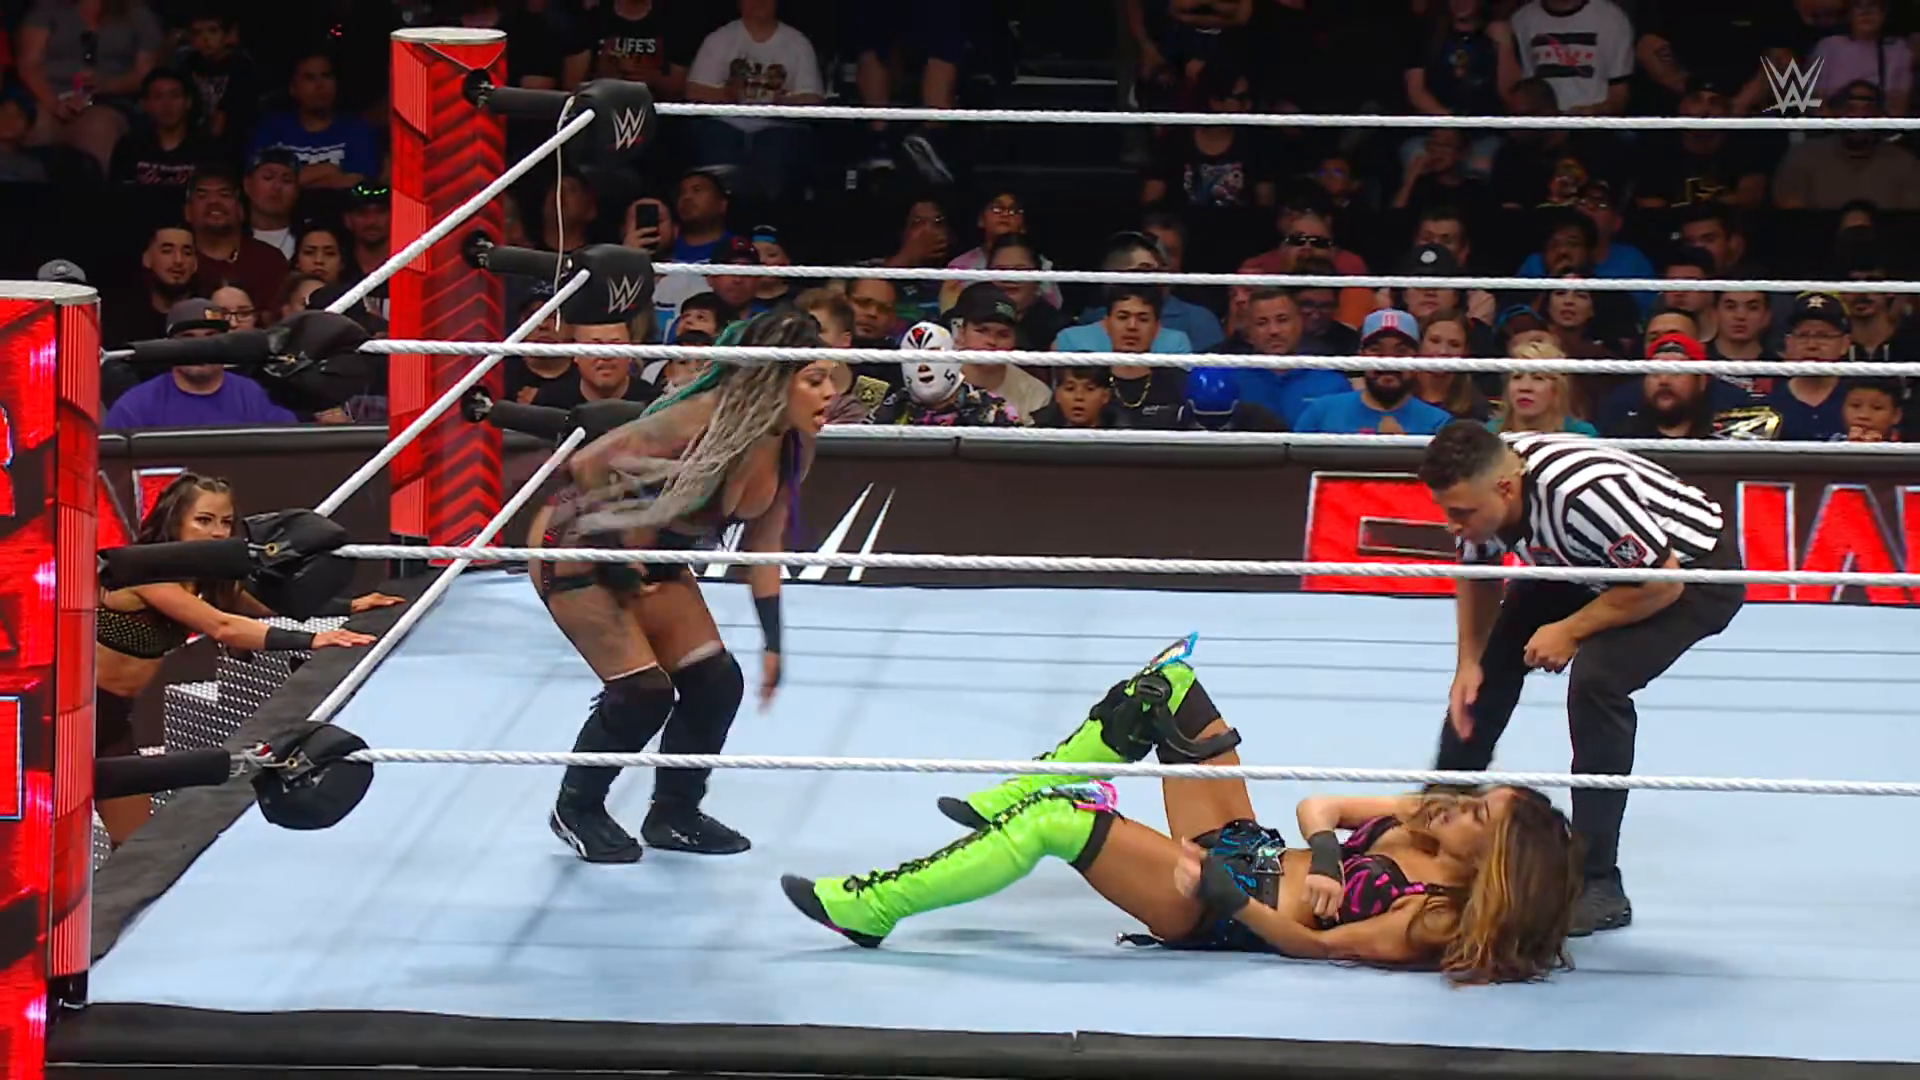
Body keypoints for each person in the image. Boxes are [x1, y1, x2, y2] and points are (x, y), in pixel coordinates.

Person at [783, 640, 1583, 983]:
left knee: (1058, 826)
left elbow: (1313, 946)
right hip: (1251, 845)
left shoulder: (1430, 916)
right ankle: (1019, 787)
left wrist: (1226, 897)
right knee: (1170, 687)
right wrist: (1327, 856)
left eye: (1478, 818)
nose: (1459, 809)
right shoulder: (1425, 821)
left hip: (1216, 907)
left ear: (1496, 865)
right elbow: (1322, 804)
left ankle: (875, 908)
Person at [530, 308, 838, 863]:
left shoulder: (794, 444)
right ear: (774, 380)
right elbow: (587, 465)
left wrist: (773, 642)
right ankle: (577, 809)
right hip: (579, 545)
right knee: (643, 693)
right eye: (814, 380)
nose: (830, 393)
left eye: (830, 378)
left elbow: (764, 546)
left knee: (715, 682)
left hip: (653, 549)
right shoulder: (701, 418)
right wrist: (618, 557)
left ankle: (674, 814)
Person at [1418, 424, 1745, 935]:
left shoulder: (1580, 495)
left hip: (1691, 574)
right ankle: (1432, 815)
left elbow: (1662, 584)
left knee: (1597, 684)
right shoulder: (1487, 485)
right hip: (1585, 563)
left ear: (1505, 488)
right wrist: (1468, 663)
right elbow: (1480, 575)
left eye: (1461, 514)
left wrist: (1570, 630)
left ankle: (1598, 881)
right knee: (1490, 667)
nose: (1452, 525)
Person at [96, 474, 400, 845]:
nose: (217, 533)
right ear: (175, 521)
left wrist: (350, 605)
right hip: (74, 714)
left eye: (225, 522)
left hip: (115, 721)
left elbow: (259, 608)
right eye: (204, 520)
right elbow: (223, 626)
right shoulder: (143, 571)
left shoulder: (204, 580)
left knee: (133, 843)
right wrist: (313, 639)